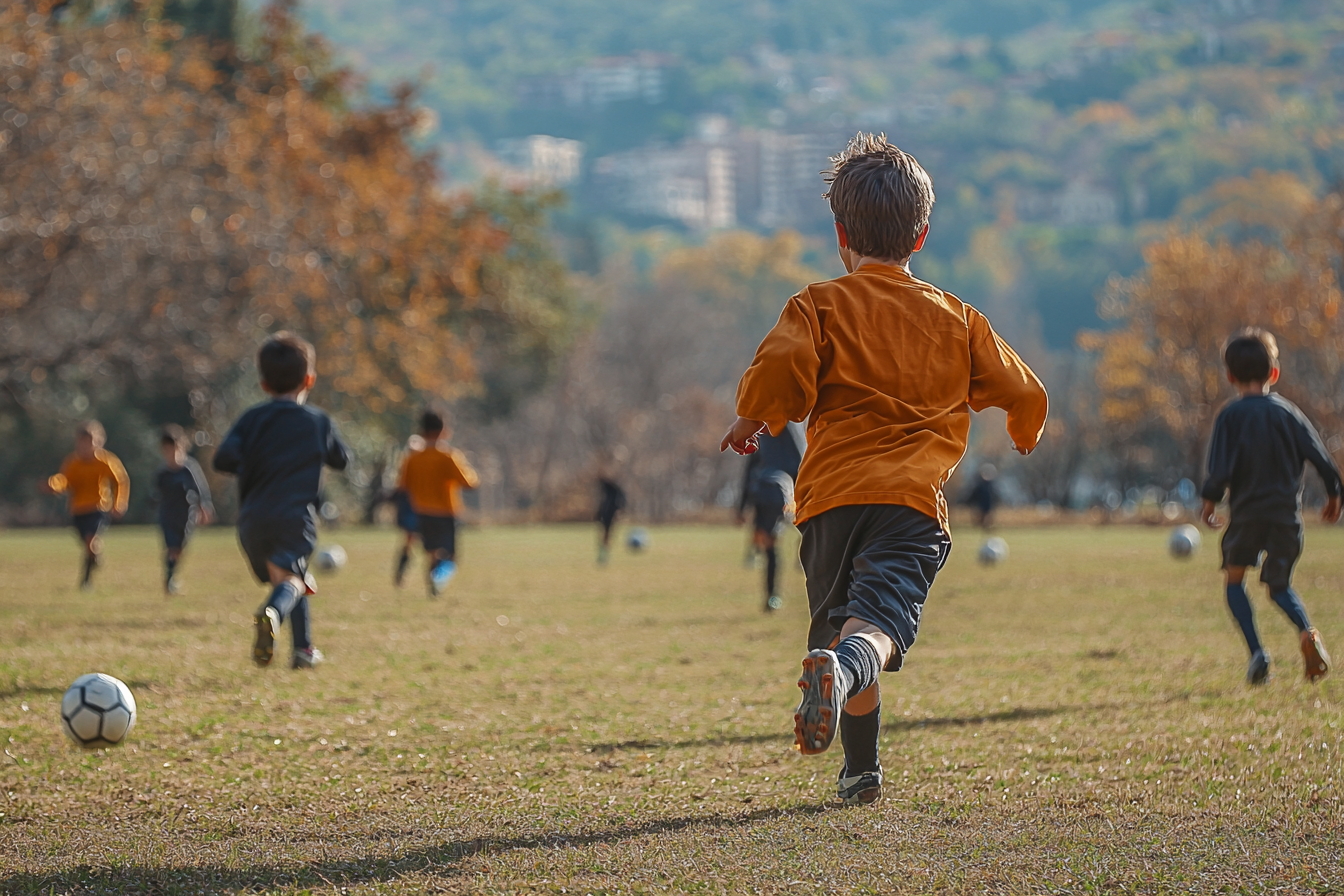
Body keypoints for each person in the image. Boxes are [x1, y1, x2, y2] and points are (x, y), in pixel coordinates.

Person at [721, 133, 1048, 806]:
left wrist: (753, 418)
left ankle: (860, 772)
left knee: (850, 626)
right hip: (906, 502)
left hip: (828, 502)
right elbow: (1024, 388)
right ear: (922, 235)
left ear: (840, 232)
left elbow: (780, 369)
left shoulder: (816, 304)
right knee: (874, 631)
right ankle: (837, 681)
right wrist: (1022, 426)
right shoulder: (958, 318)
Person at [1199, 328, 1342, 685]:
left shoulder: (1230, 416)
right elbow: (1320, 456)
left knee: (1234, 579)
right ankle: (1307, 632)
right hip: (1285, 516)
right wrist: (1334, 493)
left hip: (1247, 515)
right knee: (1280, 586)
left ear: (1230, 376)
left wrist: (1209, 502)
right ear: (1274, 373)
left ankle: (1258, 654)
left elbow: (1219, 469)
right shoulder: (1289, 413)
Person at [214, 332, 350, 670]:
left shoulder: (252, 419)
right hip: (293, 517)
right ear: (309, 380)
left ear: (263, 384)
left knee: (292, 575)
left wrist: (256, 463)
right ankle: (271, 612)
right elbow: (342, 460)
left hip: (252, 519)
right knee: (292, 582)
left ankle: (303, 651)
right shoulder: (317, 421)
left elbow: (223, 459)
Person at [397, 410, 478, 596]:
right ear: (444, 430)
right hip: (446, 511)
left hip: (422, 511)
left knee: (432, 551)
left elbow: (402, 485)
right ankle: (437, 578)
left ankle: (433, 579)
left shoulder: (413, 459)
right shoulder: (448, 457)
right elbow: (469, 482)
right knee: (451, 556)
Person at [41, 420, 130, 590]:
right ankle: (88, 576)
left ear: (98, 441)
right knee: (88, 545)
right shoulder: (73, 462)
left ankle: (86, 578)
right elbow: (65, 480)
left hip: (98, 508)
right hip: (78, 509)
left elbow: (120, 481)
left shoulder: (105, 461)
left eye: (90, 442)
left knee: (91, 540)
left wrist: (119, 502)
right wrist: (53, 484)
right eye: (82, 443)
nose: (86, 447)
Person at [736, 423, 805, 611]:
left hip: (768, 492)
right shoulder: (786, 423)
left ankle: (772, 596)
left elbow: (750, 469)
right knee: (770, 543)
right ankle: (772, 595)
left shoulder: (764, 423)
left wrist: (742, 506)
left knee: (769, 545)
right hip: (778, 493)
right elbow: (801, 461)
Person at [152, 424, 214, 594]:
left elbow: (201, 490)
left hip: (186, 516)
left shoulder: (189, 469)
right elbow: (155, 493)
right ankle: (169, 580)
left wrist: (204, 508)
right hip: (167, 515)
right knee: (171, 547)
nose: (172, 454)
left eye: (175, 449)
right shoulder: (162, 473)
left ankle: (171, 572)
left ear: (182, 447)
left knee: (179, 549)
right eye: (167, 450)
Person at [392, 434, 425, 587]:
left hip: (426, 508)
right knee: (410, 541)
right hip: (412, 508)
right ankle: (401, 573)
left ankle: (434, 577)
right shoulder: (406, 465)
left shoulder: (425, 465)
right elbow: (401, 487)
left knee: (430, 544)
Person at [596, 475, 626, 565]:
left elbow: (620, 502)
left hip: (610, 514)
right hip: (605, 513)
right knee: (604, 535)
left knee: (608, 535)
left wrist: (618, 511)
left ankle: (605, 555)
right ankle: (603, 554)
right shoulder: (607, 487)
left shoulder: (615, 489)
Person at [963, 463, 998, 530]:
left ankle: (985, 527)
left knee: (987, 517)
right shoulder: (981, 485)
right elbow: (975, 494)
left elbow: (994, 496)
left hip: (988, 504)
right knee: (981, 517)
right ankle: (982, 527)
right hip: (981, 504)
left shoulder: (990, 486)